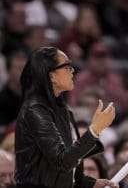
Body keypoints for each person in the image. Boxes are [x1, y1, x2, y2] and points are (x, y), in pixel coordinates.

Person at [14, 47, 118, 188]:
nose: (72, 71)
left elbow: (66, 164)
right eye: (67, 66)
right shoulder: (35, 110)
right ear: (52, 76)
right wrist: (94, 130)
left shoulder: (62, 110)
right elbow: (61, 161)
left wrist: (89, 183)